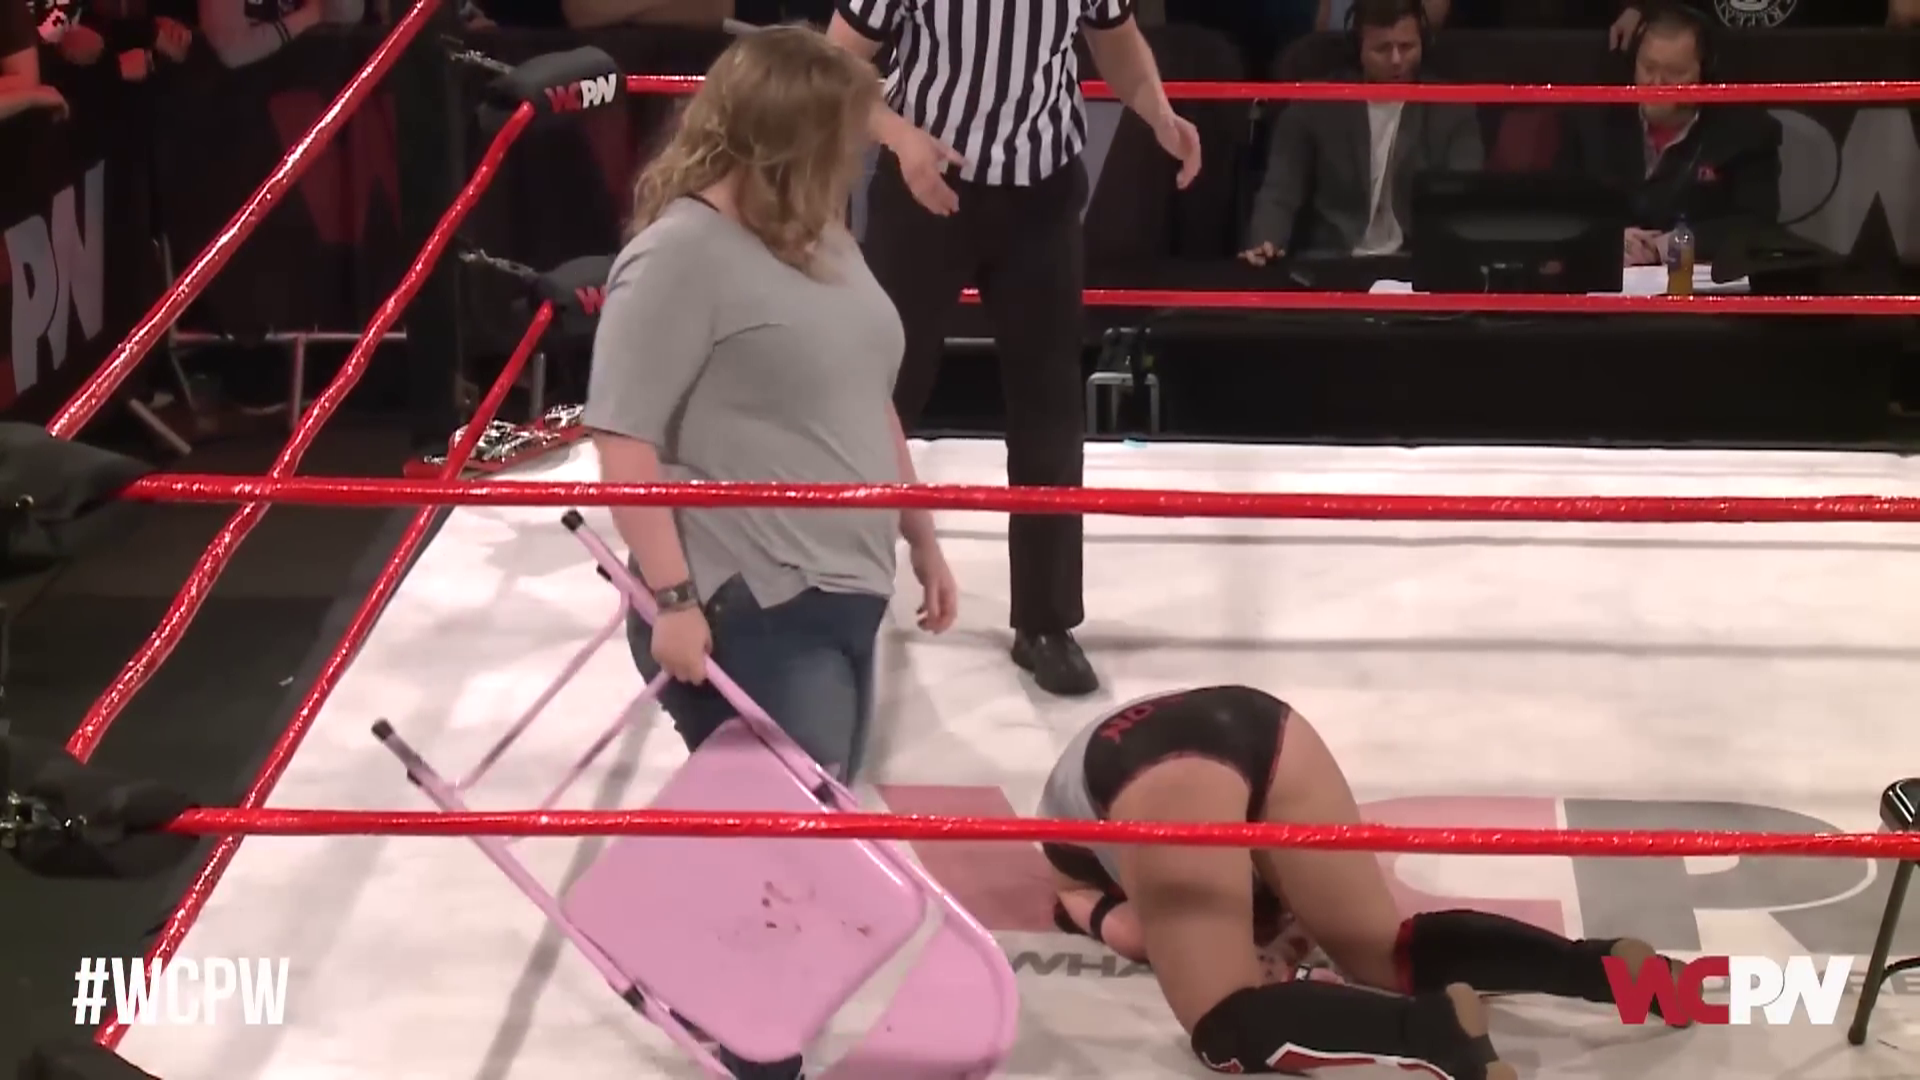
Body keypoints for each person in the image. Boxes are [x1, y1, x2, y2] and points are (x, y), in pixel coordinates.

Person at [585, 26, 959, 787]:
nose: (859, 153)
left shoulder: (823, 237)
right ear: (793, 137)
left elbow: (866, 394)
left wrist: (920, 534)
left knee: (814, 814)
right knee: (790, 822)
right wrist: (674, 602)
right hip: (749, 595)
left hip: (846, 585)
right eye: (845, 135)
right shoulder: (678, 253)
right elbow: (623, 437)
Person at [828, 0, 1204, 699]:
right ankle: (836, 599)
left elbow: (1115, 42)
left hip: (1041, 191)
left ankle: (1045, 622)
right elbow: (833, 63)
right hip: (925, 183)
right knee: (878, 394)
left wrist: (1158, 112)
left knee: (1049, 407)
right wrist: (901, 138)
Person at [1038, 685, 1684, 1077]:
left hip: (1157, 766)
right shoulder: (1133, 840)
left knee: (1222, 1022)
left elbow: (1126, 929)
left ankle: (1428, 1032)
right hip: (1256, 718)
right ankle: (1595, 967)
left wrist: (1098, 919)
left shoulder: (1075, 858)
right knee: (1383, 948)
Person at [1242, 0, 1482, 266]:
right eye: (1382, 49)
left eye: (1407, 47)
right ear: (1359, 49)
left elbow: (1465, 201)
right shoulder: (1314, 103)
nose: (1396, 60)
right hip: (1333, 262)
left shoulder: (1452, 109)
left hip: (1417, 263)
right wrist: (1265, 242)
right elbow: (1280, 191)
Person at [1570, 2, 1779, 266]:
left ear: (1704, 73)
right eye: (1648, 67)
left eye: (1675, 73)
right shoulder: (1593, 125)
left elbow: (1757, 225)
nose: (1657, 84)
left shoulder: (1748, 133)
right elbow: (1563, 213)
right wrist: (1610, 240)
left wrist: (1669, 245)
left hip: (1696, 284)